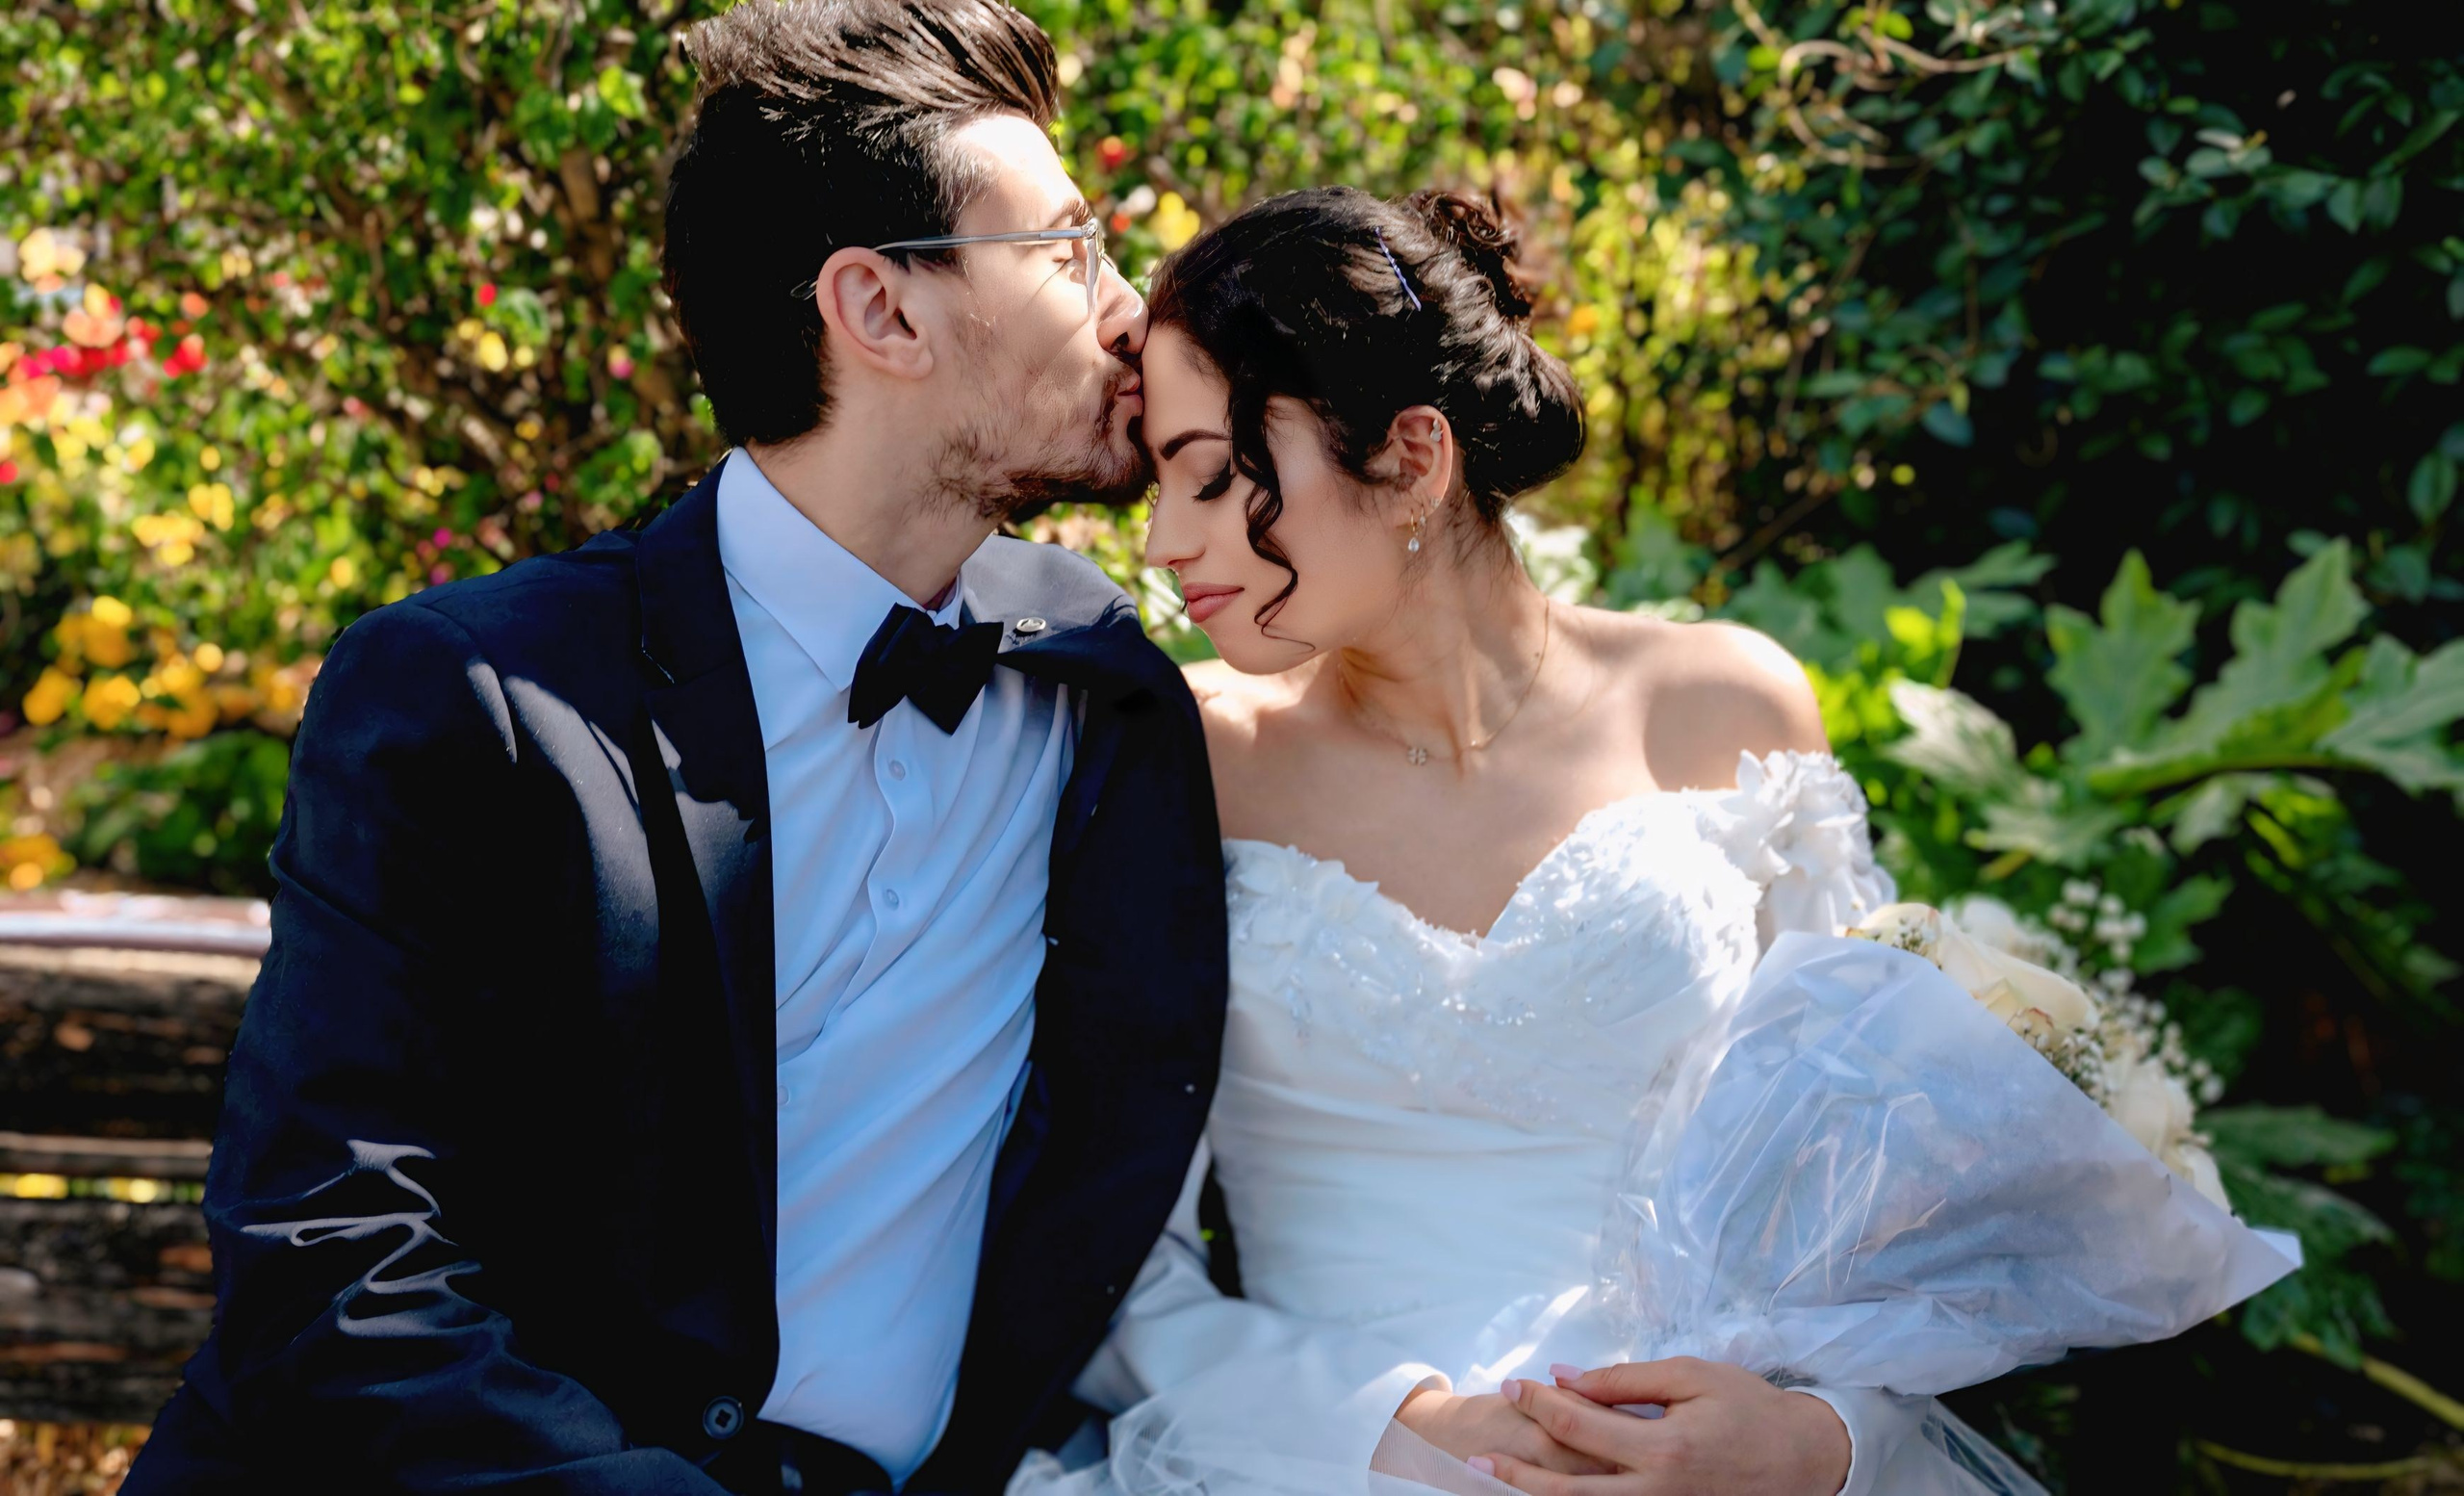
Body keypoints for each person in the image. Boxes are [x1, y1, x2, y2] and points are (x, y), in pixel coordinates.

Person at [120, 4, 1225, 1493]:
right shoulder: (478, 696)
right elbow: (337, 1261)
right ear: (880, 310)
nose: (1130, 307)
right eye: (1072, 251)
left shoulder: (1102, 684)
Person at [1007, 186, 2032, 1496]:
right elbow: (1103, 1248)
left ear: (1415, 454)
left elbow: (1858, 1217)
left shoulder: (1727, 707)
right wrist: (1396, 1426)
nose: (1163, 541)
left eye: (1210, 475)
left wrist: (1811, 1443)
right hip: (1315, 1456)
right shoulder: (1178, 758)